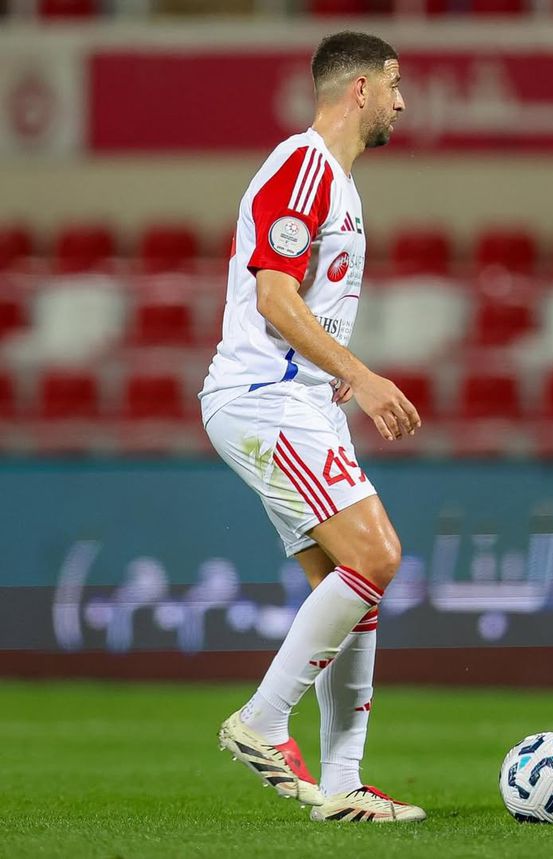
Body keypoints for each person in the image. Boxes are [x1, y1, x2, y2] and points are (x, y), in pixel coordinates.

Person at [199, 31, 424, 823]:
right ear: (358, 89)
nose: (403, 100)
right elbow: (273, 294)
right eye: (395, 83)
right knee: (379, 553)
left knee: (346, 589)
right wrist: (361, 376)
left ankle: (343, 784)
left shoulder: (341, 186)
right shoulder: (303, 166)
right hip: (266, 395)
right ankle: (261, 721)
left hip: (298, 405)